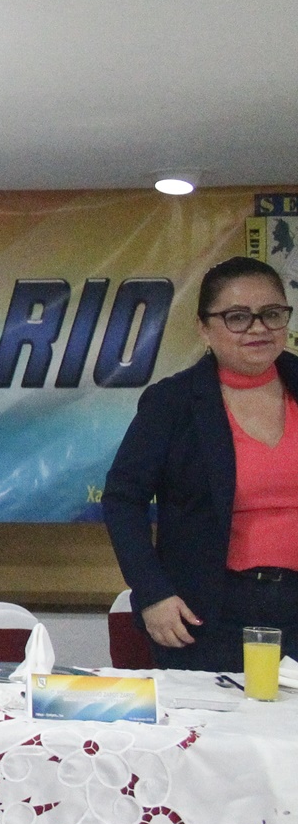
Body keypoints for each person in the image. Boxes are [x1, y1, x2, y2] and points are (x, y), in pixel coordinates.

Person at [104, 256, 298, 671]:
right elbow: (123, 500)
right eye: (237, 317)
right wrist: (152, 593)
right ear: (204, 328)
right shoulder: (172, 402)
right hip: (208, 613)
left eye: (272, 314)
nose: (258, 328)